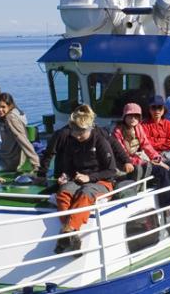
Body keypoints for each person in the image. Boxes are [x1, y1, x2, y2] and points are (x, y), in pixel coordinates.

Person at [45, 105, 118, 254]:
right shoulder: (71, 143)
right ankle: (72, 235)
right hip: (78, 179)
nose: (78, 135)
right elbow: (68, 167)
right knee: (64, 192)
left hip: (102, 181)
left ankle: (67, 233)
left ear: (89, 128)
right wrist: (64, 176)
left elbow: (111, 170)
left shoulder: (100, 142)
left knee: (85, 194)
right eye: (75, 131)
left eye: (81, 132)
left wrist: (90, 177)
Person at [0, 93, 40, 174]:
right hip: (9, 158)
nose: (0, 110)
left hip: (8, 161)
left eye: (3, 107)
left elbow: (22, 139)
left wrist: (35, 163)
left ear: (10, 105)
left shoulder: (11, 118)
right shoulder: (17, 112)